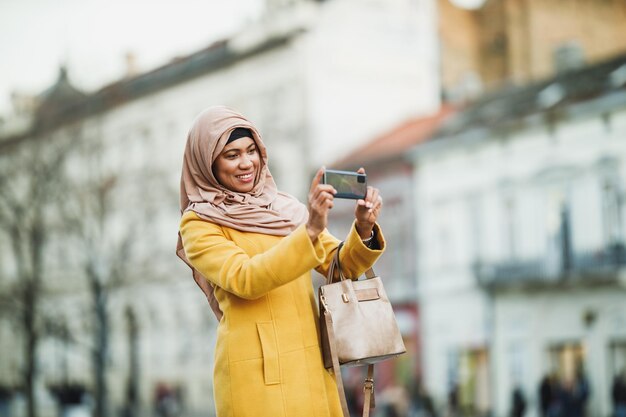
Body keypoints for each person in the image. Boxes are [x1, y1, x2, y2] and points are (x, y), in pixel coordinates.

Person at [176, 106, 385, 417]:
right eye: (231, 155)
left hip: (313, 366)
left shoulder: (285, 208)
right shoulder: (198, 223)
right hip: (257, 378)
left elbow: (342, 267)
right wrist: (311, 229)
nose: (246, 163)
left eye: (251, 151)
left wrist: (364, 229)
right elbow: (245, 279)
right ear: (208, 165)